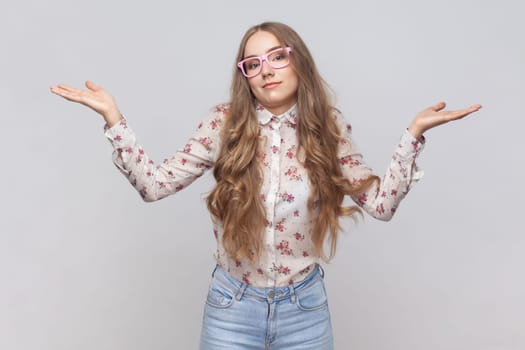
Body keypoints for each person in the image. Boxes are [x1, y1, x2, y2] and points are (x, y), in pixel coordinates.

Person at [51, 21, 481, 350]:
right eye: (252, 64)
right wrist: (113, 118)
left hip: (304, 308)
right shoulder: (224, 123)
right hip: (231, 307)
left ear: (299, 62)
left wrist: (413, 135)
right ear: (245, 76)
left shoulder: (326, 128)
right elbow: (154, 186)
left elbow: (381, 205)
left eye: (278, 57)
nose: (266, 70)